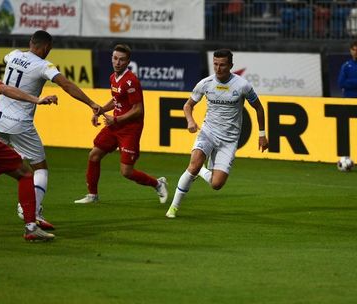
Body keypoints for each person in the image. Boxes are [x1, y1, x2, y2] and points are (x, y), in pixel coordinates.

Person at [0, 30, 102, 231]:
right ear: (46, 47)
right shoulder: (44, 66)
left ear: (31, 42)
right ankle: (32, 212)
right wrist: (91, 103)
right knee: (40, 167)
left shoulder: (14, 54)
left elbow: (9, 59)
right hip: (20, 124)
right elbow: (66, 85)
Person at [165, 49, 268, 218]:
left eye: (222, 65)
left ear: (231, 66)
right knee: (193, 165)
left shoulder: (242, 85)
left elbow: (259, 107)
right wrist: (190, 120)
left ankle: (202, 171)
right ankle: (173, 208)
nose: (218, 68)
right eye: (215, 64)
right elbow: (187, 105)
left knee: (216, 184)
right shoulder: (205, 83)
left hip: (229, 139)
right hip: (208, 132)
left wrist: (262, 134)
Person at [0, 48, 56, 241]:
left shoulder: (13, 56)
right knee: (26, 174)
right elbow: (5, 89)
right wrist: (36, 99)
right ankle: (30, 227)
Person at [74, 44, 168, 205]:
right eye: (115, 58)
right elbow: (116, 100)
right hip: (115, 126)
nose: (117, 62)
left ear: (128, 62)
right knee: (94, 155)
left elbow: (138, 110)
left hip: (130, 129)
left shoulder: (131, 81)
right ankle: (92, 195)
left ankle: (158, 184)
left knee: (126, 171)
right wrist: (101, 110)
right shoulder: (113, 77)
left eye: (122, 60)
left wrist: (115, 119)